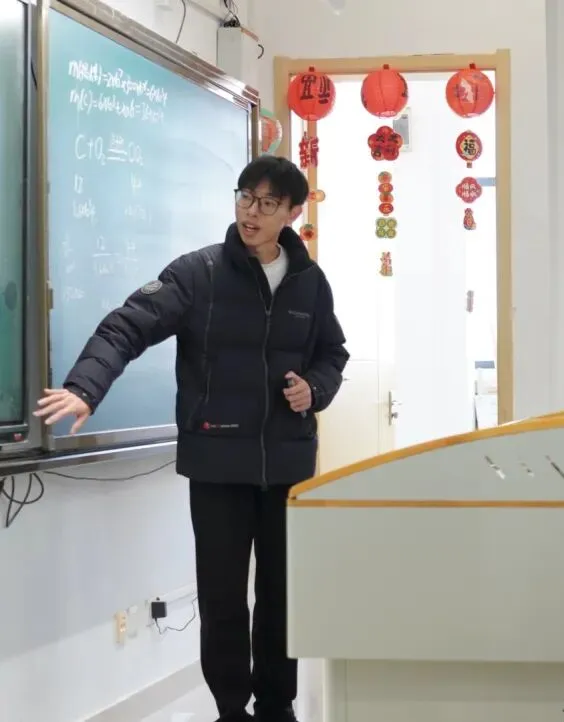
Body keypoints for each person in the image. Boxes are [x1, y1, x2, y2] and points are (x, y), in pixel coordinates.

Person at [35, 156, 348, 722]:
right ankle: (231, 709)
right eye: (245, 197)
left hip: (287, 466)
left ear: (293, 213)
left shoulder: (310, 281)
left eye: (268, 203)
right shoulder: (197, 273)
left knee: (282, 597)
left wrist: (315, 388)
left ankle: (277, 705)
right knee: (223, 598)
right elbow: (126, 326)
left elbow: (332, 354)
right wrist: (85, 387)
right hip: (217, 463)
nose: (251, 212)